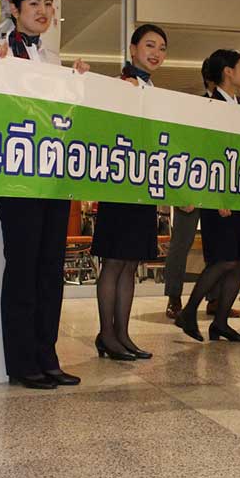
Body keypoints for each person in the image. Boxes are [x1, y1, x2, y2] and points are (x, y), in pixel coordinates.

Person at [0, 0, 89, 390]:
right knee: (23, 267)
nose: (43, 11)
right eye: (33, 3)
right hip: (16, 179)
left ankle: (48, 356)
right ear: (14, 9)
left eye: (48, 3)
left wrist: (79, 83)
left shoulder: (53, 61)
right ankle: (21, 361)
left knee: (51, 269)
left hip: (53, 177)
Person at [91, 24, 168, 361]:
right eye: (149, 45)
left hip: (141, 184)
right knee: (114, 261)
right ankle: (107, 334)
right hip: (119, 183)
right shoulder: (122, 85)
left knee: (130, 262)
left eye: (162, 48)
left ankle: (121, 334)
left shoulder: (151, 88)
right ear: (133, 48)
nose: (156, 53)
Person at [175, 49, 240, 343]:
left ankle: (220, 321)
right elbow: (205, 154)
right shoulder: (209, 106)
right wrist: (217, 195)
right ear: (228, 72)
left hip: (239, 193)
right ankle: (189, 310)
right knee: (222, 260)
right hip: (217, 195)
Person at [162, 57, 240, 320]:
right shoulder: (198, 106)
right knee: (182, 242)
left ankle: (215, 299)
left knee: (216, 244)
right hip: (192, 185)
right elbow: (182, 146)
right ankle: (175, 298)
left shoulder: (236, 105)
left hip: (219, 186)